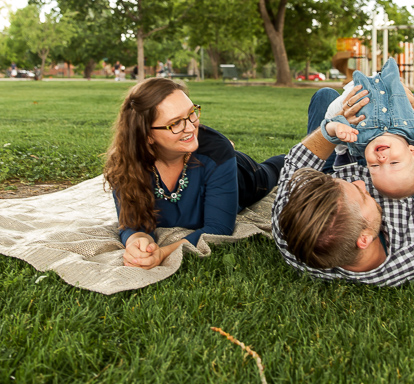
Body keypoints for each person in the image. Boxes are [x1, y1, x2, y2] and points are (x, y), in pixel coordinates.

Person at [271, 83, 414, 286]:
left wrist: (334, 126)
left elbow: (297, 165)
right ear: (364, 239)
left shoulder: (292, 233)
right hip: (397, 170)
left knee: (325, 96)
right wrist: (410, 123)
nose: (360, 182)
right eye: (362, 195)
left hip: (338, 165)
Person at [104, 78, 283, 269]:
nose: (191, 127)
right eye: (175, 123)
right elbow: (131, 222)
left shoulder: (216, 151)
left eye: (191, 113)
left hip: (241, 174)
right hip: (210, 157)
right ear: (147, 135)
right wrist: (137, 241)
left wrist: (163, 252)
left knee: (276, 170)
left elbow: (219, 228)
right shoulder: (125, 164)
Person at [320, 59, 414, 199]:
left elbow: (328, 128)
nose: (382, 159)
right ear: (413, 152)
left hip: (356, 90)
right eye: (394, 163)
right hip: (390, 82)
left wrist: (337, 127)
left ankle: (343, 156)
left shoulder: (358, 139)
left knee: (324, 96)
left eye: (374, 166)